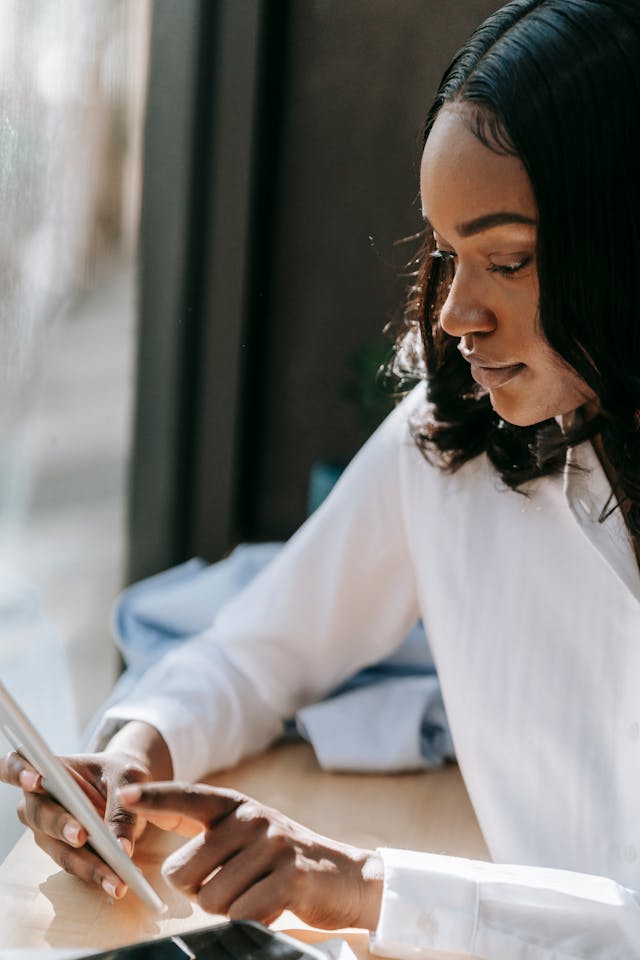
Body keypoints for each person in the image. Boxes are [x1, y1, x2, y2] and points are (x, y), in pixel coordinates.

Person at [3, 0, 640, 955]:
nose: (459, 313)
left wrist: (363, 886)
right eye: (448, 255)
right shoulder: (450, 444)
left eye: (508, 260)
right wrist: (128, 764)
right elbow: (261, 647)